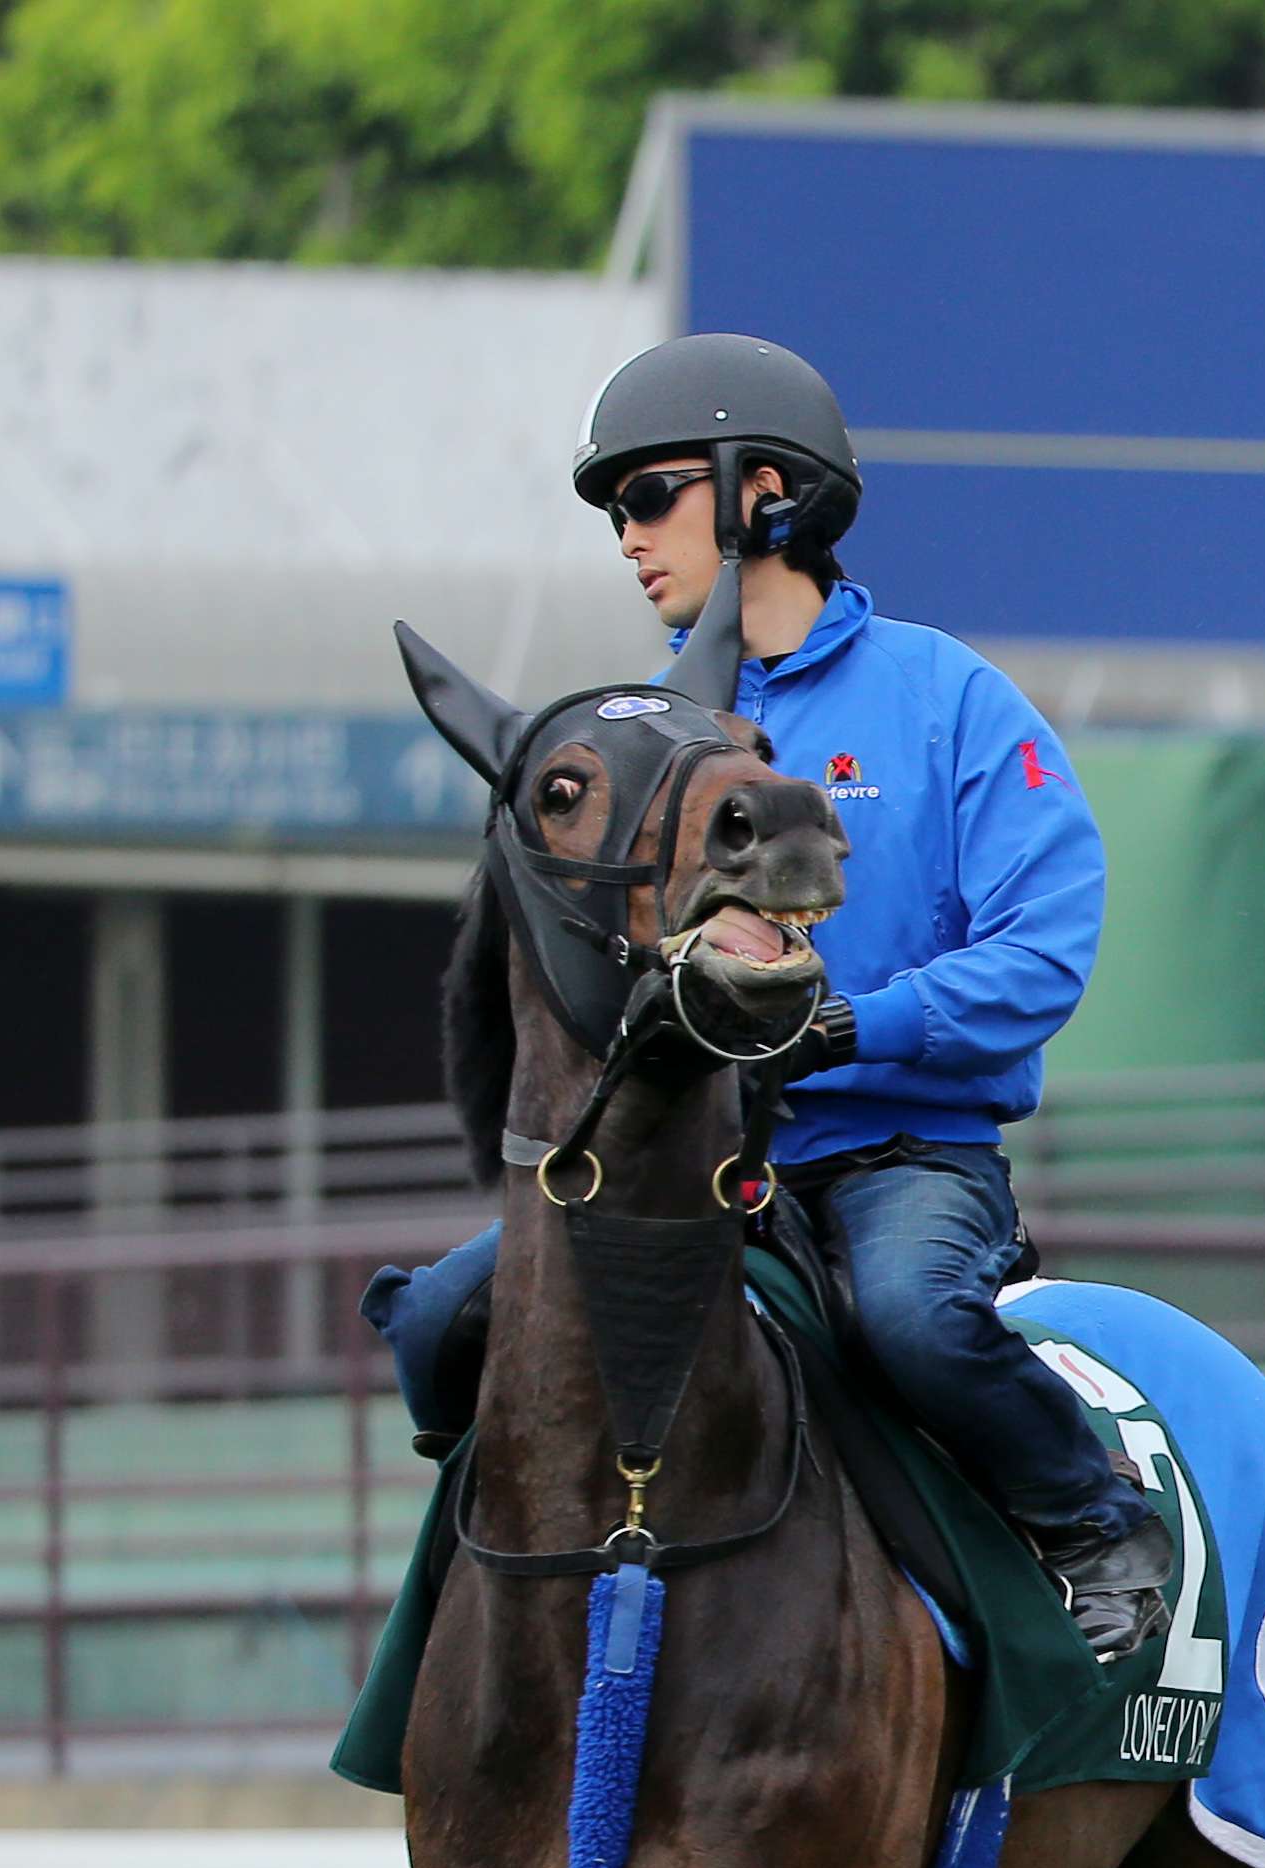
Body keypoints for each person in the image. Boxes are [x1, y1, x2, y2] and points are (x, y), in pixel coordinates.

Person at [364, 332, 1176, 1655]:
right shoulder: (638, 733)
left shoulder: (950, 698)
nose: (626, 536)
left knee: (914, 1320)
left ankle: (1093, 1523)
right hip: (678, 1156)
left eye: (646, 495)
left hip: (895, 1156)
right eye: (614, 511)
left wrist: (846, 1027)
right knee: (441, 1321)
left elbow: (1040, 955)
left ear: (765, 496)